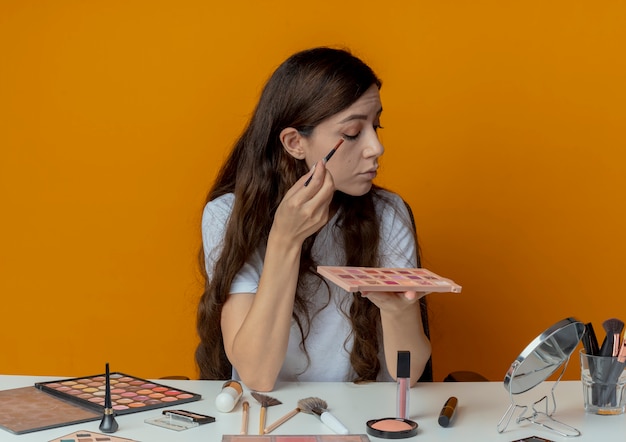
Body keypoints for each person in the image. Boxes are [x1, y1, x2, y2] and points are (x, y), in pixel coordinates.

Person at [196, 47, 431, 392]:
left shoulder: (388, 212)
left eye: (376, 125)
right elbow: (257, 376)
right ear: (294, 143)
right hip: (267, 415)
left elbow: (407, 376)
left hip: (362, 414)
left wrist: (397, 311)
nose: (376, 147)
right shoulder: (228, 215)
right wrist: (284, 240)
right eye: (352, 132)